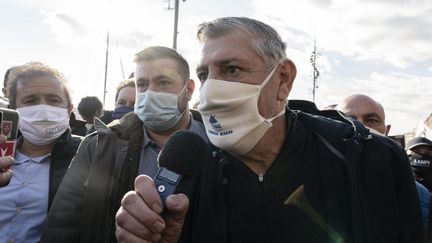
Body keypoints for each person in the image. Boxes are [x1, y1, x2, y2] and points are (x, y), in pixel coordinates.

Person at [115, 17, 423, 243]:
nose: (210, 91)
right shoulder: (189, 174)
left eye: (231, 70)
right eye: (204, 74)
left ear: (283, 80)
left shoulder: (369, 159)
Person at [41, 46, 208, 242]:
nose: (150, 92)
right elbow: (62, 227)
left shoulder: (219, 146)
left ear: (188, 89)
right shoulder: (98, 146)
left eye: (163, 82)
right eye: (142, 84)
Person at [0, 62, 82, 243]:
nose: (43, 109)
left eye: (53, 100)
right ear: (14, 110)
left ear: (69, 110)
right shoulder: (2, 152)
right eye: (30, 100)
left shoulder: (88, 154)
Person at [337, 93, 431, 238]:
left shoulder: (421, 196)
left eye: (371, 120)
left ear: (386, 130)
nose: (360, 127)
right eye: (348, 120)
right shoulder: (311, 182)